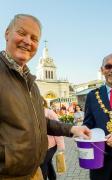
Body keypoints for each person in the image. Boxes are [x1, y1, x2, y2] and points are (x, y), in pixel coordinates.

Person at [0, 14, 91, 179]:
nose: (28, 41)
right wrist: (7, 161)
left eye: (34, 38)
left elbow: (39, 121)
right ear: (7, 33)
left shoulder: (30, 82)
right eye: (22, 33)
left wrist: (72, 129)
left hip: (35, 172)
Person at [40, 98, 65, 180]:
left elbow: (57, 128)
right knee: (48, 163)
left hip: (51, 145)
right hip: (40, 146)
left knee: (43, 163)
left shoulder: (49, 112)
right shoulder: (34, 113)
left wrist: (61, 147)